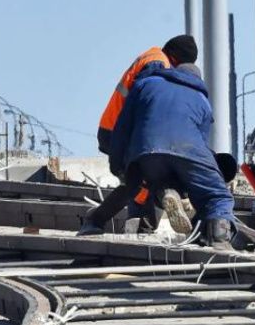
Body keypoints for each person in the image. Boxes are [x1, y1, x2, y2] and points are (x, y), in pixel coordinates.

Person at [78, 35, 198, 236]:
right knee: (146, 179)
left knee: (139, 182)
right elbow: (147, 102)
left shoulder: (154, 57)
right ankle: (136, 217)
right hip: (122, 132)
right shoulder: (157, 64)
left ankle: (138, 224)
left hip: (119, 129)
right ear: (177, 59)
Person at [108, 62, 236, 249]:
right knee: (216, 197)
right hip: (188, 149)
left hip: (145, 151)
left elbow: (122, 127)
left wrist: (118, 164)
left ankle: (167, 193)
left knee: (159, 181)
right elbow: (201, 143)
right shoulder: (202, 100)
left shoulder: (145, 84)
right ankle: (218, 238)